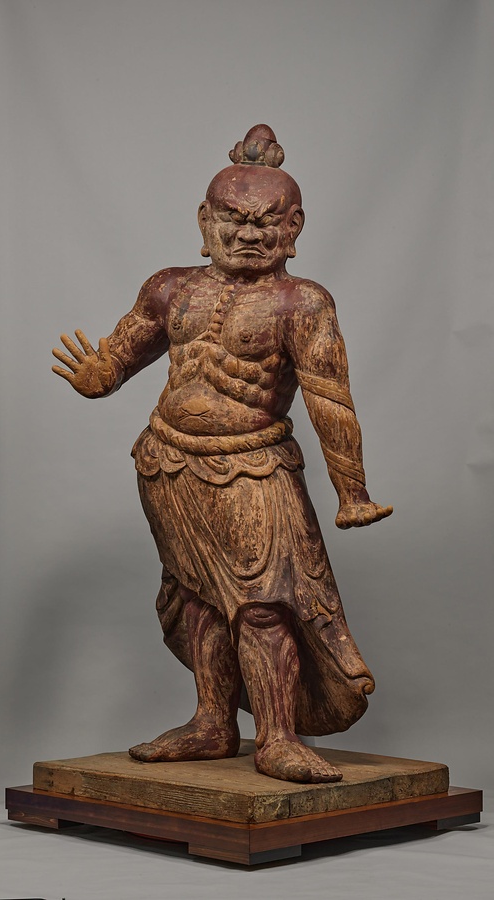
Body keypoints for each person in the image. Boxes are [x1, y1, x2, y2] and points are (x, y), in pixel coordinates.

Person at [52, 125, 392, 783]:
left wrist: (352, 491)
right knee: (198, 597)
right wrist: (98, 376)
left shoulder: (301, 303)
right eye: (232, 218)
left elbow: (329, 400)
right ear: (204, 222)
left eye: (265, 222)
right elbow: (121, 355)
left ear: (293, 227)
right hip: (169, 464)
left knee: (264, 604)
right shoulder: (170, 288)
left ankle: (277, 738)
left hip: (253, 467)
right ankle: (211, 723)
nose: (247, 234)